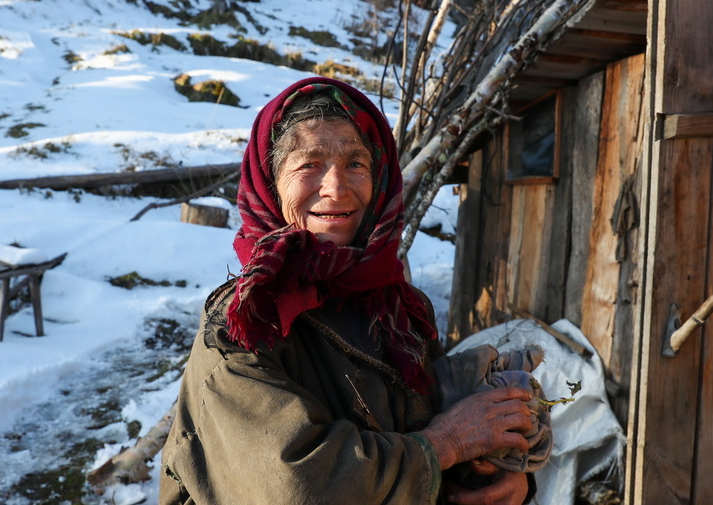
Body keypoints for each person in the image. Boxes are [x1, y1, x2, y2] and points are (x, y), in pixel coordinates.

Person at [160, 77, 536, 504]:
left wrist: (500, 474)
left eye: (355, 163)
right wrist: (444, 445)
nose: (336, 189)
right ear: (269, 182)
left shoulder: (401, 309)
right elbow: (298, 488)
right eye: (309, 164)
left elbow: (437, 426)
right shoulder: (246, 324)